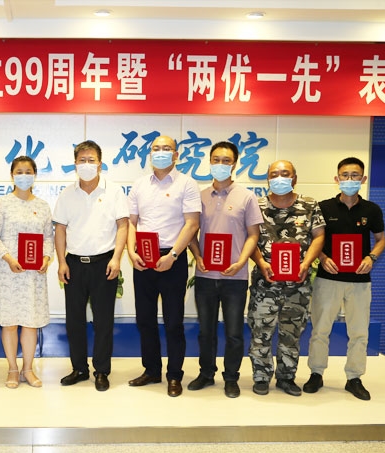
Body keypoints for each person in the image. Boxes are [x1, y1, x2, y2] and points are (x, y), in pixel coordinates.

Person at [304, 157, 385, 401]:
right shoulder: (323, 207)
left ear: (363, 179)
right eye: (345, 175)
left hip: (360, 280)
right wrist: (322, 257)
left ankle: (354, 377)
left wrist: (371, 257)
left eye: (355, 175)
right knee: (320, 329)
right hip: (328, 278)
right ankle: (316, 373)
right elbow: (313, 240)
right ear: (337, 179)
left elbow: (381, 240)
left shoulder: (372, 210)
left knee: (359, 331)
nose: (350, 179)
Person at [186, 141, 263, 398]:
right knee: (205, 331)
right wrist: (197, 255)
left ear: (234, 164)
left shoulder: (246, 197)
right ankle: (206, 374)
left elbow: (253, 235)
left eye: (226, 160)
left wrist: (241, 261)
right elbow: (190, 231)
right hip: (205, 276)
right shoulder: (199, 196)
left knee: (233, 333)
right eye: (216, 160)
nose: (220, 164)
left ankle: (231, 378)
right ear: (209, 162)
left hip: (235, 277)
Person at [126, 135, 201, 397]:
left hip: (173, 258)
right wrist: (131, 252)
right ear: (150, 154)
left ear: (176, 155)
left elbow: (192, 223)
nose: (160, 152)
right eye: (156, 148)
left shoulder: (187, 184)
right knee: (144, 319)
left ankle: (174, 375)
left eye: (166, 148)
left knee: (173, 321)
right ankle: (151, 370)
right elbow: (132, 222)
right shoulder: (139, 185)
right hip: (143, 257)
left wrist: (174, 255)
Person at [53, 141, 128, 392]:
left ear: (100, 163)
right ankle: (79, 369)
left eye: (91, 160)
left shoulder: (114, 191)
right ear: (75, 164)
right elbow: (60, 229)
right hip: (74, 264)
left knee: (103, 321)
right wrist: (61, 261)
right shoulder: (67, 194)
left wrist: (116, 258)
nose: (87, 164)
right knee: (74, 321)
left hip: (104, 263)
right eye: (82, 160)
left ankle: (101, 370)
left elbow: (123, 226)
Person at [248, 160, 325, 396]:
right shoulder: (257, 205)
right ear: (267, 179)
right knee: (260, 331)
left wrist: (306, 263)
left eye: (285, 173)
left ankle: (286, 377)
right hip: (265, 282)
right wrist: (260, 263)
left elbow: (319, 236)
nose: (279, 178)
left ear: (294, 178)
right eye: (274, 174)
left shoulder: (309, 204)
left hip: (298, 284)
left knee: (291, 333)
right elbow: (249, 238)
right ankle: (261, 377)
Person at [0, 156, 53, 389]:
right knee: (10, 323)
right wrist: (8, 258)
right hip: (9, 272)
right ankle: (13, 369)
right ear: (12, 175)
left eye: (28, 172)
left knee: (30, 322)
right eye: (19, 172)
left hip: (33, 275)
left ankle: (28, 369)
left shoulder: (43, 206)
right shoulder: (2, 204)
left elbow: (48, 238)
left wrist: (46, 258)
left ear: (35, 175)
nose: (24, 176)